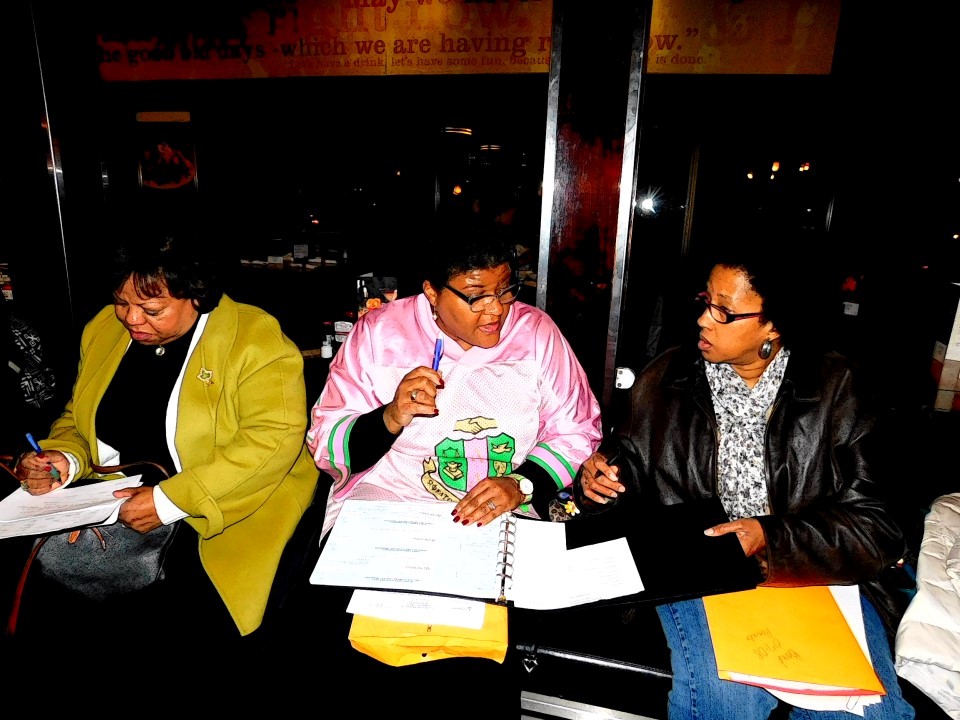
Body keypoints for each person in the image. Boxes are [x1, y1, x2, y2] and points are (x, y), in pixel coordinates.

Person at [573, 226, 915, 719]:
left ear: (773, 325)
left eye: (724, 311)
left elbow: (878, 528)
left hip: (818, 577)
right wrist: (597, 485)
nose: (703, 320)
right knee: (724, 701)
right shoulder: (666, 378)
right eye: (705, 302)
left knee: (861, 711)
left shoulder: (839, 388)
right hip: (698, 570)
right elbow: (627, 475)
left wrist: (769, 538)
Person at [272, 222, 602, 702]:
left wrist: (521, 484)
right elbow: (324, 441)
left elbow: (577, 428)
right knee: (352, 648)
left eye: (505, 290)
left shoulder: (535, 334)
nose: (496, 310)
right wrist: (389, 417)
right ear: (431, 292)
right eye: (476, 296)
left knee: (476, 662)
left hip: (497, 520)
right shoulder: (381, 333)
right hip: (389, 514)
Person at [8, 231, 319, 656]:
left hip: (227, 499)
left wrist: (169, 501)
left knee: (179, 617)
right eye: (122, 303)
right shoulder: (104, 329)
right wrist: (64, 458)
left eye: (152, 310)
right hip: (120, 496)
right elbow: (78, 417)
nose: (132, 319)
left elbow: (272, 441)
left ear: (197, 296)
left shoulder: (254, 340)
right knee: (46, 591)